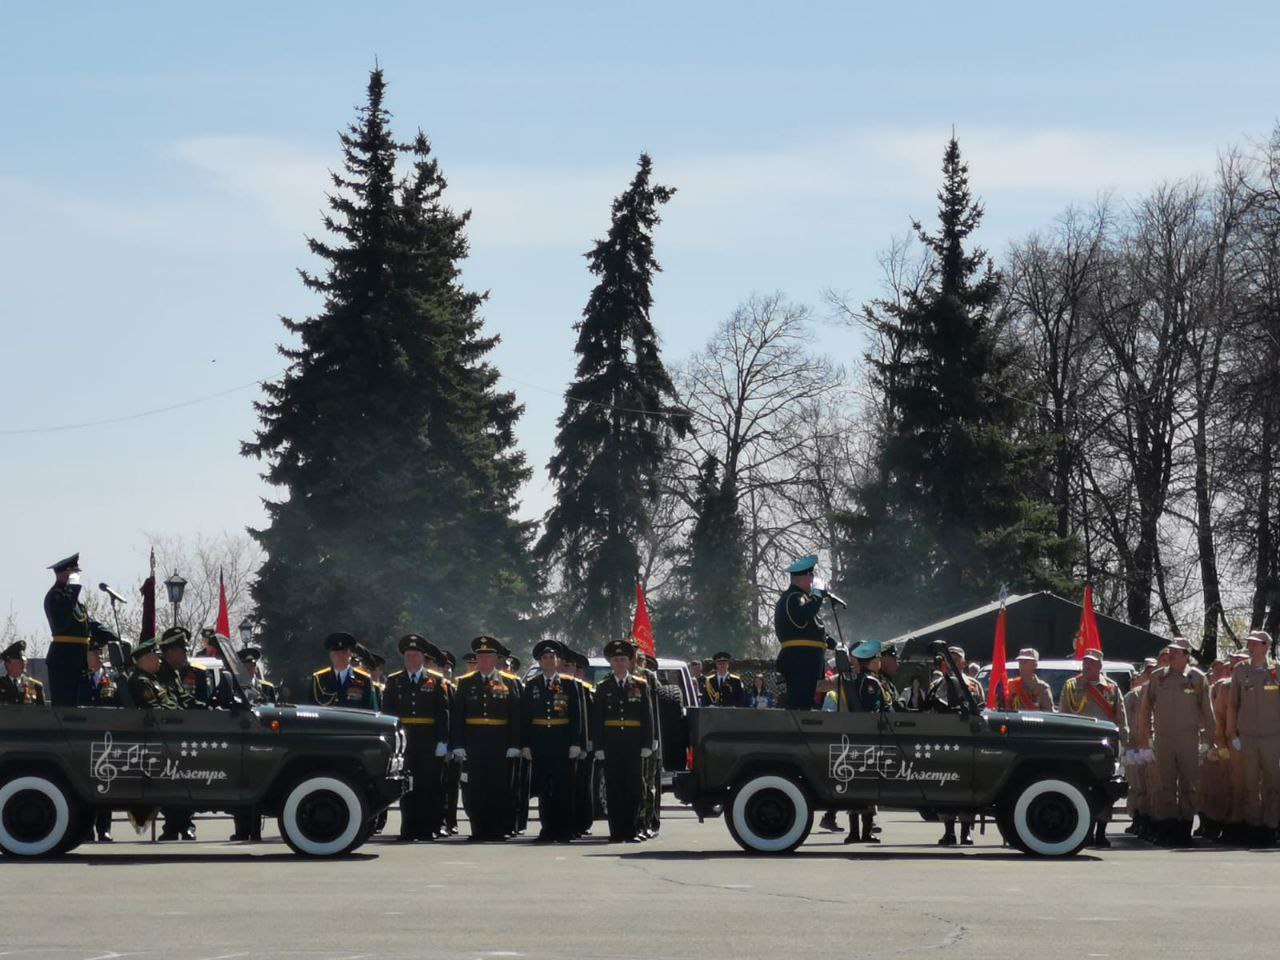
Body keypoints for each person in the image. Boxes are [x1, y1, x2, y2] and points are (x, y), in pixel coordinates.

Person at [1136, 637, 1217, 846]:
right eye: (1171, 650)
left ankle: (1184, 830)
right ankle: (1167, 829)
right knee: (1165, 786)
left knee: (1189, 786)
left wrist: (1208, 741)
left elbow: (1208, 712)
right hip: (1163, 739)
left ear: (1186, 655)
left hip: (1188, 739)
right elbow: (1145, 710)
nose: (1172, 654)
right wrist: (1145, 740)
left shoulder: (1197, 678)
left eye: (1177, 651)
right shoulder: (1157, 677)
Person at [382, 634, 452, 842]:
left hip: (428, 741)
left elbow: (443, 713)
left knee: (428, 786)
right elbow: (388, 713)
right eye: (408, 655)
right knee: (406, 787)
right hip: (405, 742)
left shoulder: (436, 681)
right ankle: (408, 829)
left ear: (423, 657)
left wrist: (443, 741)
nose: (411, 659)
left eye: (415, 655)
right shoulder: (395, 681)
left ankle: (428, 828)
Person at [453, 635, 520, 841]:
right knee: (476, 788)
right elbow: (457, 716)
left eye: (488, 657)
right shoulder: (465, 683)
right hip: (474, 742)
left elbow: (516, 715)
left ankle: (497, 829)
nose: (483, 661)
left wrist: (514, 743)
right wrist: (458, 744)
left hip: (499, 742)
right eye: (479, 657)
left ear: (495, 659)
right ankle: (478, 830)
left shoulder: (509, 682)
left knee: (498, 787)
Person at [1059, 649, 1128, 847]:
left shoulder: (1112, 688)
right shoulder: (1071, 686)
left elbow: (1121, 718)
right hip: (1079, 748)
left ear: (1099, 666)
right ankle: (1085, 831)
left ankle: (1101, 832)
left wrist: (1124, 744)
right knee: (1082, 790)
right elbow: (1063, 715)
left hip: (1105, 746)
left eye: (1091, 663)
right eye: (1085, 662)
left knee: (1106, 791)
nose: (1086, 665)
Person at [521, 640, 583, 843]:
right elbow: (526, 717)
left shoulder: (569, 684)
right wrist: (526, 744)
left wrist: (576, 742)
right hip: (540, 743)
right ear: (540, 662)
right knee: (544, 789)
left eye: (552, 657)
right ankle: (547, 829)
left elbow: (577, 715)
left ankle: (564, 829)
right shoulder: (532, 686)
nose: (548, 661)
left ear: (558, 661)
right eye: (545, 658)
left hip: (562, 742)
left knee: (563, 787)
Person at [592, 639, 654, 842]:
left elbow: (647, 715)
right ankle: (616, 831)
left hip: (633, 744)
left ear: (629, 662)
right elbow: (597, 718)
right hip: (611, 745)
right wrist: (598, 746)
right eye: (616, 659)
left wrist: (648, 743)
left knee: (634, 788)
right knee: (614, 788)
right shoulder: (603, 687)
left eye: (623, 659)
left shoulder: (640, 685)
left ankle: (633, 829)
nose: (619, 663)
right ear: (611, 663)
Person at [1226, 630, 1280, 847]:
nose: (1251, 647)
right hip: (1247, 736)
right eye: (1250, 643)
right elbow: (1233, 704)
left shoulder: (1276, 671)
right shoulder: (1240, 671)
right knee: (1249, 785)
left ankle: (1271, 826)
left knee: (1273, 785)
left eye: (1256, 644)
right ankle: (1254, 826)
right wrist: (1233, 733)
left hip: (1272, 737)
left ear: (1267, 646)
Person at [42, 553, 118, 706]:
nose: (77, 577)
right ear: (63, 574)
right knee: (66, 706)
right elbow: (62, 622)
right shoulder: (54, 597)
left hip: (79, 659)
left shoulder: (75, 603)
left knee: (80, 704)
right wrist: (73, 589)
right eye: (74, 574)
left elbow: (87, 624)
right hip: (64, 660)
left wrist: (111, 636)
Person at [928, 646, 984, 846]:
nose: (951, 661)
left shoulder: (973, 684)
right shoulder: (936, 684)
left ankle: (966, 830)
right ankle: (948, 830)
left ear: (963, 662)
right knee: (945, 787)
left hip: (967, 743)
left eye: (955, 658)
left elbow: (981, 712)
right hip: (943, 742)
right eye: (948, 658)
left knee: (967, 787)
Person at [838, 640, 890, 844]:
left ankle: (855, 832)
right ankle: (863, 832)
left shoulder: (856, 680)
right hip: (868, 739)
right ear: (870, 662)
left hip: (855, 739)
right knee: (867, 785)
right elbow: (874, 712)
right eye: (877, 658)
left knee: (856, 784)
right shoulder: (870, 682)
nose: (879, 661)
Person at [774, 555, 836, 711]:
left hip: (806, 662)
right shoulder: (793, 597)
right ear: (805, 576)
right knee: (799, 706)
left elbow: (808, 629)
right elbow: (803, 616)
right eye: (811, 576)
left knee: (804, 705)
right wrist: (817, 595)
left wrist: (830, 642)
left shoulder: (802, 598)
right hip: (799, 661)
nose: (813, 580)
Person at [633, 651, 664, 839]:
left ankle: (649, 822)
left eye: (640, 659)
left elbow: (658, 707)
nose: (637, 662)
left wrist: (655, 737)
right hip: (631, 739)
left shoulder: (650, 678)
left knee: (649, 784)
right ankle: (634, 822)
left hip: (650, 738)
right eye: (635, 658)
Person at [311, 632, 379, 709]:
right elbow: (312, 708)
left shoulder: (364, 679)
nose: (340, 656)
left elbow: (371, 710)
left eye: (344, 653)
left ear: (350, 654)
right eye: (336, 653)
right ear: (331, 655)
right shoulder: (319, 678)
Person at [157, 627, 212, 708]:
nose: (186, 656)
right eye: (184, 651)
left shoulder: (174, 673)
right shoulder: (159, 673)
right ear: (170, 651)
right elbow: (167, 708)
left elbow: (185, 699)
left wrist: (206, 708)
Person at [127, 637, 179, 709]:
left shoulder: (152, 679)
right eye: (157, 656)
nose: (160, 660)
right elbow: (154, 711)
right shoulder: (141, 682)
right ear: (146, 659)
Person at [76, 636, 121, 707]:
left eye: (102, 652)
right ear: (85, 655)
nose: (100, 656)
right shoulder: (75, 678)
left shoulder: (114, 676)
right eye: (95, 653)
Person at [0, 640, 45, 705]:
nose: (24, 664)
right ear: (8, 664)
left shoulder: (36, 686)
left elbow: (43, 712)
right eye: (19, 662)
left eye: (24, 661)